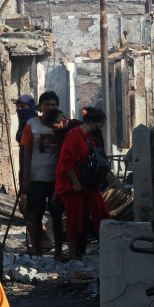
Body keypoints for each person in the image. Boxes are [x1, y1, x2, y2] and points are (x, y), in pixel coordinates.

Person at [55, 107, 111, 261]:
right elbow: (66, 162)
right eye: (99, 126)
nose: (100, 129)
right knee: (75, 219)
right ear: (92, 123)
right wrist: (74, 182)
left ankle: (111, 247)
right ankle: (72, 254)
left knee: (102, 213)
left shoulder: (90, 137)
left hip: (86, 184)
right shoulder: (74, 136)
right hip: (71, 185)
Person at [19, 91, 64, 258]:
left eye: (53, 105)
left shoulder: (61, 124)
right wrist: (25, 180)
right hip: (36, 177)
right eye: (47, 104)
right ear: (40, 106)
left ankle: (58, 250)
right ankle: (37, 251)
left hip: (56, 179)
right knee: (36, 215)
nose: (50, 107)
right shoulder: (32, 124)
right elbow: (26, 152)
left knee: (56, 214)